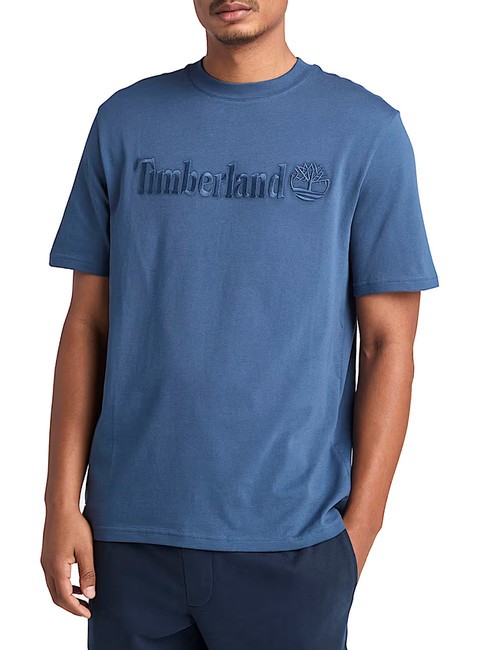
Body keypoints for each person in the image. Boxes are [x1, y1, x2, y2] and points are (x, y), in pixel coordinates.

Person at [40, 1, 439, 648]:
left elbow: (389, 343)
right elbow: (87, 322)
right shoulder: (125, 121)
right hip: (128, 541)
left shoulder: (366, 131)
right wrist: (61, 502)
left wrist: (356, 537)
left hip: (293, 548)